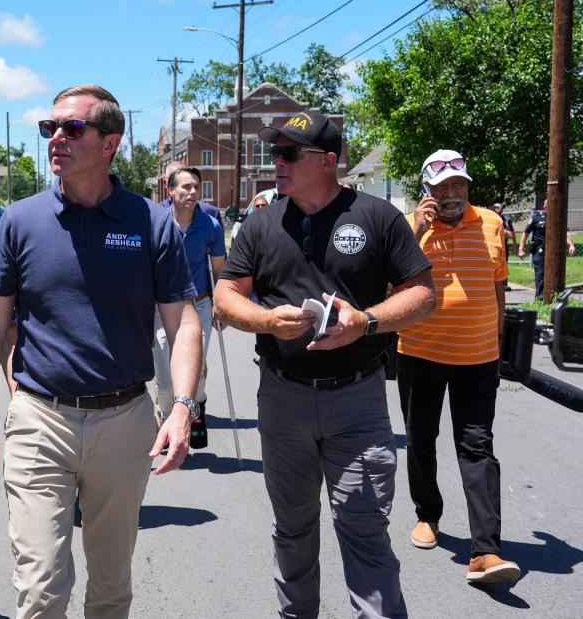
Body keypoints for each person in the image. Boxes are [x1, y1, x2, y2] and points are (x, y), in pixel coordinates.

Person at [0, 84, 203, 618]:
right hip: (39, 418)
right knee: (40, 585)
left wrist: (182, 407)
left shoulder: (151, 222)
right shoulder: (20, 220)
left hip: (124, 420)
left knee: (111, 583)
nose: (56, 139)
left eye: (72, 129)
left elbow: (184, 321)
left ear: (109, 143)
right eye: (50, 129)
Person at [214, 110, 435, 618]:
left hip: (356, 399)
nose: (277, 164)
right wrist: (267, 321)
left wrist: (367, 322)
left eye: (289, 154)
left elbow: (423, 295)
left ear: (329, 160)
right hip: (282, 397)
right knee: (291, 526)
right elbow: (226, 294)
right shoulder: (262, 222)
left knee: (364, 527)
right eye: (275, 153)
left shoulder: (377, 217)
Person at [398, 149, 520, 585]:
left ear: (468, 187)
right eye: (442, 187)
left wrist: (499, 342)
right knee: (420, 439)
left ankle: (485, 550)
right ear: (426, 190)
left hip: (477, 358)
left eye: (459, 185)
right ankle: (427, 515)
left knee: (476, 447)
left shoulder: (490, 224)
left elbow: (499, 287)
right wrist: (415, 230)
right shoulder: (410, 230)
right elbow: (387, 285)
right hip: (419, 353)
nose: (451, 194)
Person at [153, 165, 226, 449]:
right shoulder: (157, 222)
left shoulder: (210, 226)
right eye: (185, 187)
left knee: (197, 372)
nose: (193, 192)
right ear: (170, 191)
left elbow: (220, 271)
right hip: (162, 309)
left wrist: (221, 305)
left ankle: (195, 410)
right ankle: (168, 418)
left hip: (200, 305)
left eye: (196, 186)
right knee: (166, 379)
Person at [519, 199, 575, 299]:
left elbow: (565, 233)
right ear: (544, 207)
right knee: (540, 274)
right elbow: (525, 233)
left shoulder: (558, 218)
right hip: (540, 251)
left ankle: (555, 297)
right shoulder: (536, 218)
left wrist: (571, 245)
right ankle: (540, 298)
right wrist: (521, 249)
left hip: (554, 252)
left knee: (555, 273)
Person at [492, 202, 514, 290]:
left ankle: (503, 284)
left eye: (500, 207)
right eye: (496, 207)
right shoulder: (491, 218)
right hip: (492, 244)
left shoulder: (506, 220)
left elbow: (511, 235)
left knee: (503, 264)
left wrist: (501, 230)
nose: (498, 209)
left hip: (503, 245)